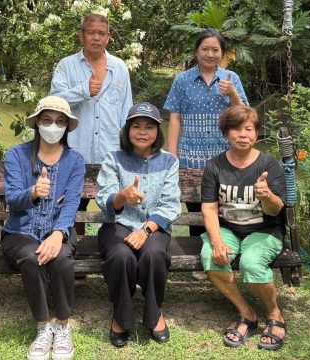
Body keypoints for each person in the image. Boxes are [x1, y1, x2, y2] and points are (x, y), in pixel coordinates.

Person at [1, 96, 85, 360]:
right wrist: (33, 192)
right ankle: (43, 327)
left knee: (61, 258)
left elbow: (71, 202)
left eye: (60, 121)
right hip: (20, 230)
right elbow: (12, 198)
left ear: (67, 126)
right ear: (37, 122)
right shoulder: (16, 155)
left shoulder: (75, 160)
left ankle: (63, 326)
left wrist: (58, 234)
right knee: (32, 256)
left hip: (59, 229)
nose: (53, 126)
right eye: (47, 120)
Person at [200, 106, 288, 351]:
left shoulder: (268, 164)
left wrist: (267, 195)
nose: (243, 135)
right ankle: (246, 313)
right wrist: (217, 242)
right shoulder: (215, 166)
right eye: (236, 129)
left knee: (251, 263)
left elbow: (275, 210)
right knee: (211, 257)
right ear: (226, 133)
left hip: (264, 230)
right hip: (228, 229)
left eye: (249, 129)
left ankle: (275, 314)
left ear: (256, 134)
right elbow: (209, 208)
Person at [95, 102, 180, 347]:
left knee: (154, 254)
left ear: (158, 131)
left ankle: (154, 313)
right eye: (136, 126)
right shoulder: (114, 158)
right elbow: (104, 198)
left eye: (149, 127)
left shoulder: (169, 161)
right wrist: (123, 195)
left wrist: (145, 230)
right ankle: (121, 316)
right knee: (121, 255)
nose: (142, 132)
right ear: (127, 130)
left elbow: (170, 204)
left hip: (153, 226)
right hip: (117, 223)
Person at [51, 13, 133, 232]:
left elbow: (126, 113)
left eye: (101, 33)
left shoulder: (120, 68)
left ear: (108, 37)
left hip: (112, 153)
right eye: (91, 33)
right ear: (81, 35)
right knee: (74, 206)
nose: (96, 38)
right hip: (75, 151)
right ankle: (74, 247)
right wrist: (83, 91)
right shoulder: (66, 66)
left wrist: (129, 152)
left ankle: (111, 247)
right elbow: (54, 103)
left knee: (115, 207)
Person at [164, 28, 248, 235]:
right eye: (205, 49)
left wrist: (233, 94)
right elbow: (174, 118)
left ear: (222, 53)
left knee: (225, 213)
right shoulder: (182, 80)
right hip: (190, 158)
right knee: (195, 215)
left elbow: (245, 116)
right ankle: (196, 253)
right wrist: (173, 154)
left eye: (215, 50)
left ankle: (223, 249)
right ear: (196, 52)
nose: (210, 54)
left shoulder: (231, 78)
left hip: (225, 158)